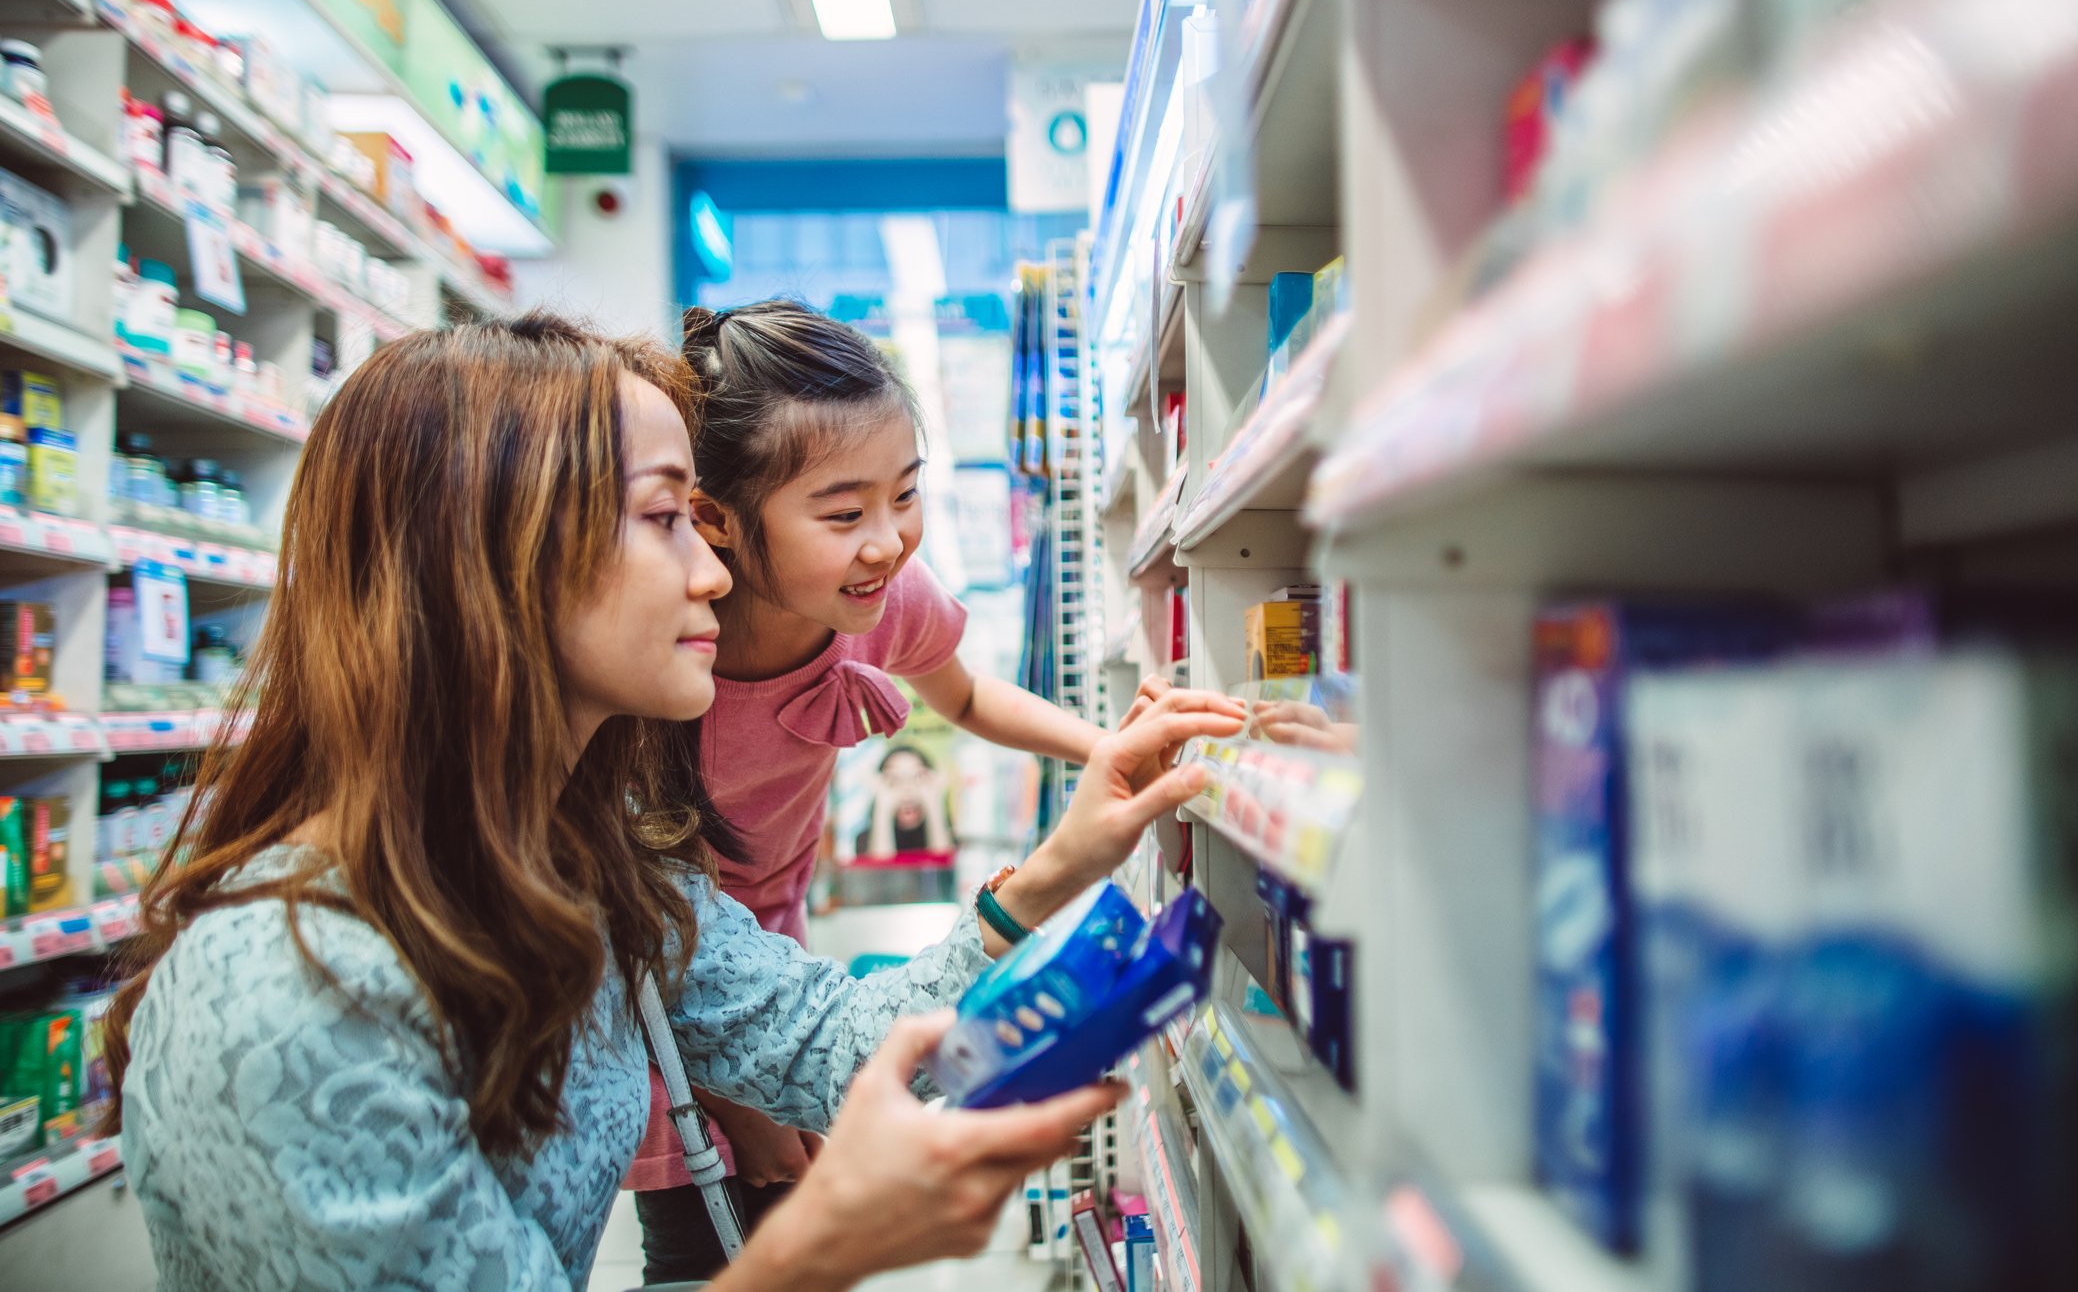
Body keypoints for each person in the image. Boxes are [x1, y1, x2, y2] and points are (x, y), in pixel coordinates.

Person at [101, 315, 1241, 1291]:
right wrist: (813, 1253)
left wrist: (1063, 866)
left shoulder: (586, 872)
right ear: (492, 565)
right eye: (665, 521)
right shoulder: (299, 988)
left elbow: (824, 1041)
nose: (711, 571)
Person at [624, 299, 1241, 1280]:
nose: (888, 540)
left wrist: (1107, 746)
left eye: (903, 495)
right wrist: (741, 1098)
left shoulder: (872, 596)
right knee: (709, 1223)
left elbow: (964, 694)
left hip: (771, 949)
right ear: (715, 524)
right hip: (657, 973)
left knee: (796, 1191)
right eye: (842, 513)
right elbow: (671, 954)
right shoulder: (661, 662)